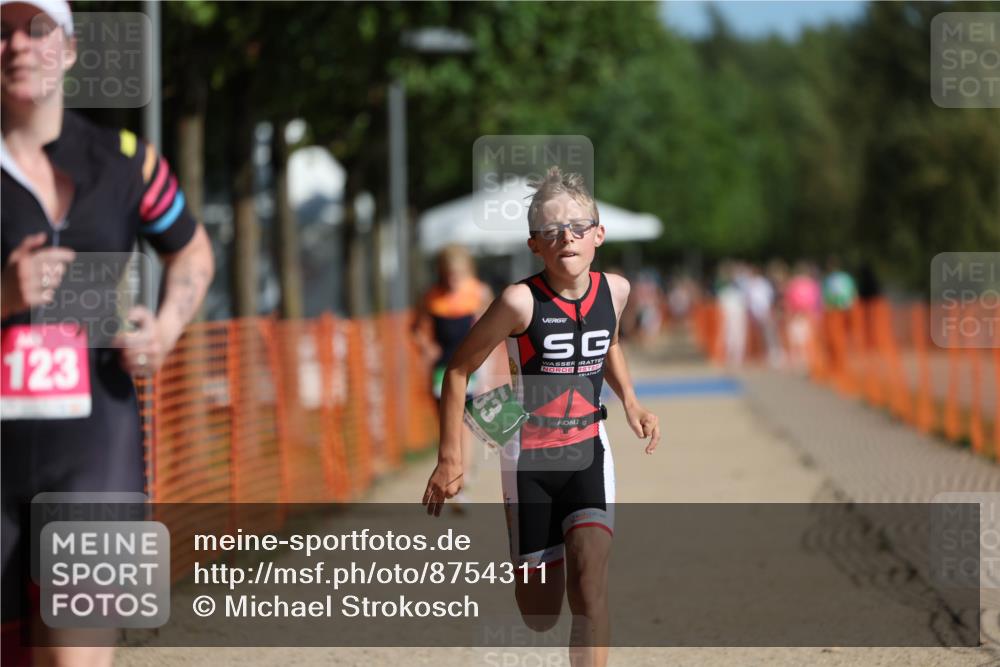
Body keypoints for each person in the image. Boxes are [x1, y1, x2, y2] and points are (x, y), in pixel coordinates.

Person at [1, 1, 214, 664]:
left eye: (36, 29)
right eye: (0, 32)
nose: (15, 45)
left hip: (97, 450)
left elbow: (194, 251)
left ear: (67, 48)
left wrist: (168, 326)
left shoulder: (126, 162)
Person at [421, 166, 660, 667]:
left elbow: (609, 343)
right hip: (527, 456)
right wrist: (449, 459)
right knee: (539, 612)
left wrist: (632, 401)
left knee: (590, 582)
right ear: (534, 244)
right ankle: (529, 562)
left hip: (589, 448)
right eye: (550, 231)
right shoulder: (518, 301)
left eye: (576, 227)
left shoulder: (616, 290)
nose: (565, 238)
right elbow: (458, 372)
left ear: (599, 234)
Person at [412, 244, 493, 510]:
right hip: (441, 369)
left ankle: (462, 482)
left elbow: (491, 329)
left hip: (470, 366)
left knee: (464, 425)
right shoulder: (431, 297)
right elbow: (415, 328)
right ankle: (456, 473)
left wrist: (487, 366)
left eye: (457, 273)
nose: (452, 279)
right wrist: (426, 346)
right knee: (447, 425)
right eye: (448, 273)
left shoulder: (479, 293)